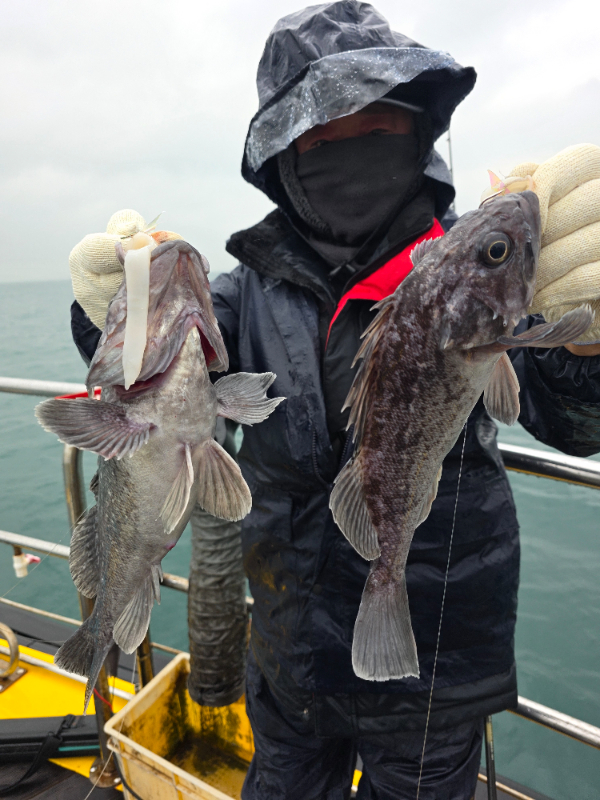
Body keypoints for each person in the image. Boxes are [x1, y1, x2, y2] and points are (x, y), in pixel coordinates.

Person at [70, 3, 600, 798]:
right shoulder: (241, 291)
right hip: (288, 653)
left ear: (417, 131)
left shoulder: (471, 269)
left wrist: (586, 342)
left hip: (435, 666)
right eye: (320, 138)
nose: (350, 149)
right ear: (284, 155)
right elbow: (164, 378)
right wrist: (114, 313)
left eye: (377, 124)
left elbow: (576, 422)